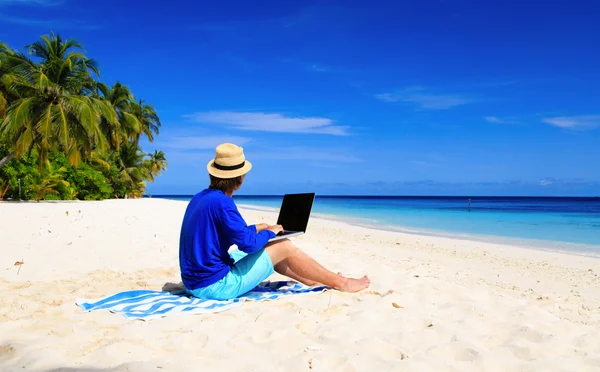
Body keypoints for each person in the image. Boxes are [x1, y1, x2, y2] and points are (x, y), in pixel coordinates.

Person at [179, 143, 370, 300]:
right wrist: (270, 232)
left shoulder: (201, 198)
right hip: (213, 287)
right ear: (240, 178)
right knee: (283, 246)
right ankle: (341, 283)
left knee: (272, 247)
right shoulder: (223, 202)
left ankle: (315, 281)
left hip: (193, 282)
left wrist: (258, 228)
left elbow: (227, 233)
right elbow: (248, 246)